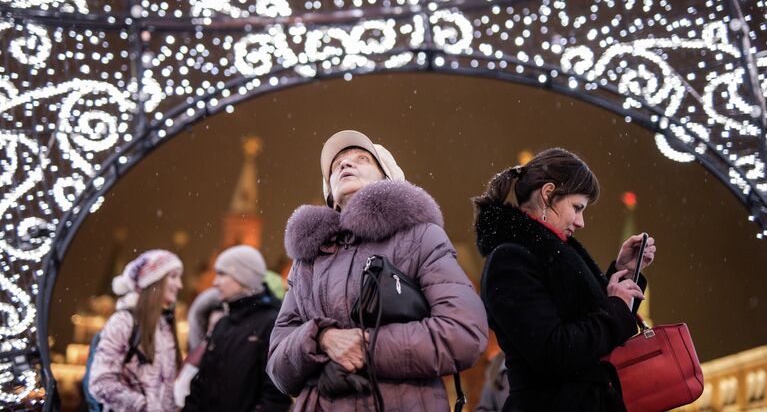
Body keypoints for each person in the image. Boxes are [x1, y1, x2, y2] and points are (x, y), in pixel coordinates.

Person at [267, 129, 488, 411]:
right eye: (337, 165)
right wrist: (322, 338)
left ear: (387, 179)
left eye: (362, 159)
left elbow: (463, 332)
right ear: (330, 196)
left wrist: (365, 349)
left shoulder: (420, 238)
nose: (346, 164)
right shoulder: (308, 262)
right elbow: (277, 366)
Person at [474, 148, 656, 412]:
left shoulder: (544, 254)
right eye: (577, 207)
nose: (581, 222)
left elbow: (582, 317)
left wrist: (624, 271)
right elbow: (555, 351)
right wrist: (615, 307)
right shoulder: (510, 261)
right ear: (548, 194)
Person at [183, 245, 291, 412]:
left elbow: (275, 394)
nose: (215, 282)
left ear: (243, 277)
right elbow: (200, 385)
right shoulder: (223, 324)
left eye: (221, 274)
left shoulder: (272, 324)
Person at [89, 249, 184, 412]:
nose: (179, 285)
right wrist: (143, 406)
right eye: (173, 276)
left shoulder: (164, 325)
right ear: (154, 280)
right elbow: (100, 383)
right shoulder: (123, 322)